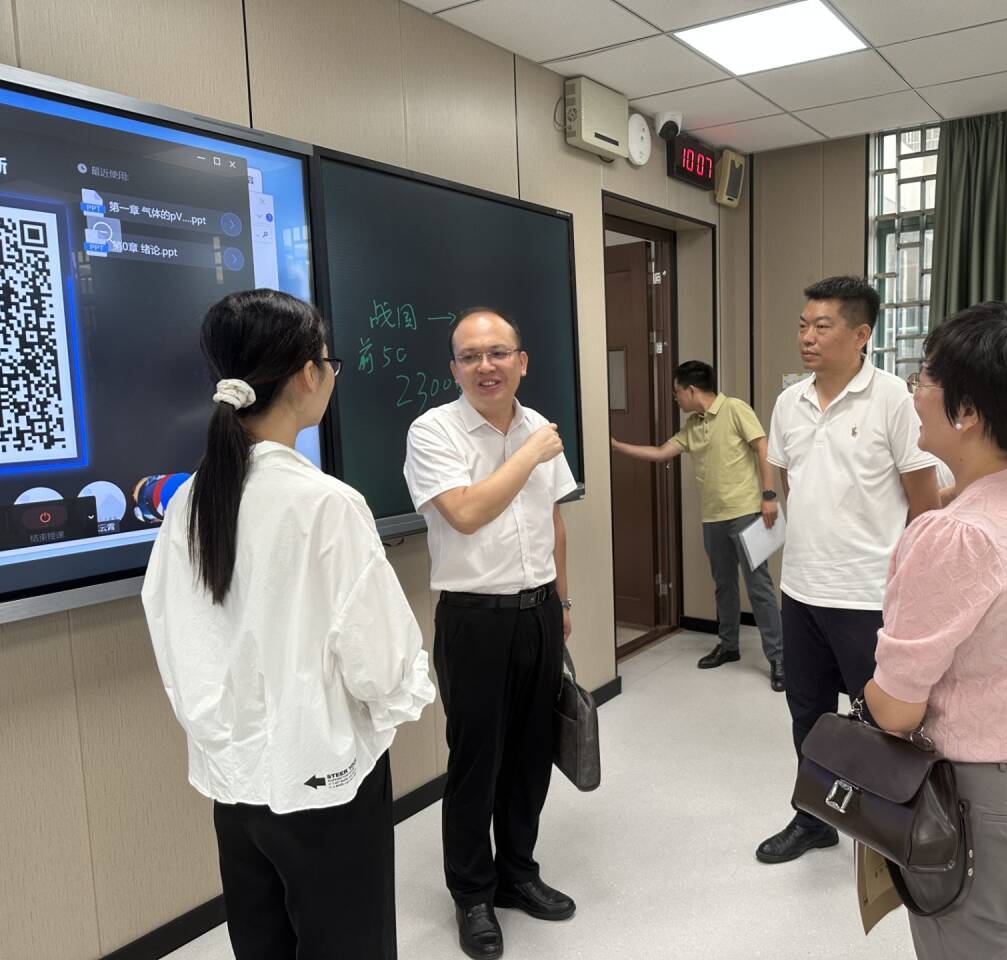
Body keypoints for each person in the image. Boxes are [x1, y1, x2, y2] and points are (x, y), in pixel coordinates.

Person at [142, 289, 435, 960]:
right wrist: (399, 701)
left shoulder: (188, 500)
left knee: (261, 943)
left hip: (233, 779)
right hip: (324, 778)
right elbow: (382, 663)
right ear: (308, 374)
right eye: (329, 361)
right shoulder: (326, 503)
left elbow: (174, 634)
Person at [864, 301, 1007, 959]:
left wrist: (871, 688)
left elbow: (896, 709)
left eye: (924, 376)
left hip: (979, 801)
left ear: (965, 411)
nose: (913, 390)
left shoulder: (956, 536)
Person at [403, 307, 577, 960]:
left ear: (521, 362)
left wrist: (563, 601)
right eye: (470, 356)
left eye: (498, 353)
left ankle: (517, 873)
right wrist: (529, 453)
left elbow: (553, 521)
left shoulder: (538, 427)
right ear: (454, 369)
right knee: (477, 762)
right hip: (473, 618)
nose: (486, 366)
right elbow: (467, 512)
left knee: (532, 754)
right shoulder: (434, 431)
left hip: (539, 611)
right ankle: (472, 893)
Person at [757, 275, 939, 864]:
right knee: (808, 713)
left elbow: (925, 502)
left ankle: (889, 829)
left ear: (861, 334)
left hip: (868, 595)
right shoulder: (789, 402)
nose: (807, 337)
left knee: (882, 721)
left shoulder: (894, 401)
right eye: (802, 325)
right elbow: (792, 483)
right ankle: (813, 819)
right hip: (801, 589)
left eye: (822, 326)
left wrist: (911, 585)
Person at [610, 360, 785, 690]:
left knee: (758, 587)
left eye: (677, 392)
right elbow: (661, 452)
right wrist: (618, 447)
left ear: (691, 390)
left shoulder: (735, 409)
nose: (676, 398)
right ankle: (729, 646)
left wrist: (769, 495)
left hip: (746, 512)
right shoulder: (693, 425)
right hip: (713, 518)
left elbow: (762, 446)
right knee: (723, 585)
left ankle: (779, 658)